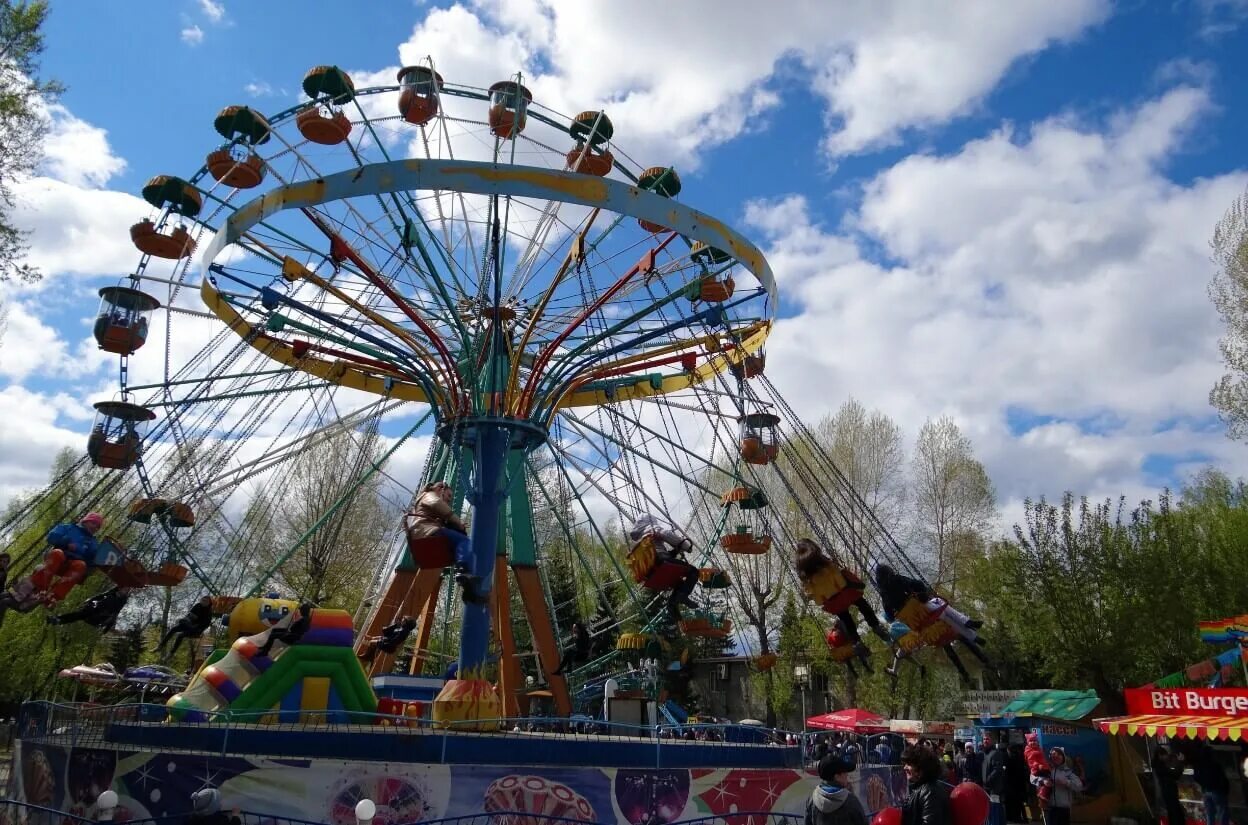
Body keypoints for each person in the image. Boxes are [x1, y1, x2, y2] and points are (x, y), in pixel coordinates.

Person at [795, 539, 890, 650]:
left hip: (832, 600)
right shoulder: (823, 561)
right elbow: (835, 570)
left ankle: (856, 641)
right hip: (844, 591)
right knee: (862, 604)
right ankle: (875, 626)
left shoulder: (805, 575)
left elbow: (810, 592)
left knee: (846, 619)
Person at [0, 514, 104, 611]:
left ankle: (53, 596)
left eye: (98, 527)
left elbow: (93, 557)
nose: (95, 527)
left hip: (70, 566)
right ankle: (41, 588)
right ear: (86, 521)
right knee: (58, 553)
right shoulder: (69, 528)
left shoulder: (92, 542)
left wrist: (99, 562)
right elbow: (52, 536)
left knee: (81, 565)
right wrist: (66, 542)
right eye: (94, 523)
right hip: (56, 558)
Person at [408, 481, 484, 604]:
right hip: (428, 532)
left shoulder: (425, 503)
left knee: (461, 550)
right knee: (465, 542)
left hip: (425, 533)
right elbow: (438, 505)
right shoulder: (429, 495)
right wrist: (458, 522)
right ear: (440, 489)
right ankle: (464, 571)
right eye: (448, 496)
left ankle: (470, 591)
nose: (449, 500)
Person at [628, 514, 699, 618]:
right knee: (693, 571)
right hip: (661, 563)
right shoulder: (652, 528)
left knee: (679, 583)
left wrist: (674, 552)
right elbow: (668, 535)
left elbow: (655, 554)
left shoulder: (636, 541)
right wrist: (685, 546)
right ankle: (680, 598)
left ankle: (672, 605)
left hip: (648, 574)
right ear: (651, 521)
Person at [806, 755, 868, 825]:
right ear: (837, 777)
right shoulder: (850, 800)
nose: (847, 775)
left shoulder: (811, 799)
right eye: (845, 772)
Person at [901, 745, 951, 825]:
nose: (905, 767)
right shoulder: (923, 788)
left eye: (909, 764)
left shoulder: (929, 792)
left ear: (920, 767)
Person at [47, 587, 132, 630]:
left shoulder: (121, 600)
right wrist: (90, 599)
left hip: (99, 615)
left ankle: (58, 620)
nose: (124, 590)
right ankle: (57, 620)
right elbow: (101, 596)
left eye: (126, 589)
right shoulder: (112, 592)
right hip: (94, 608)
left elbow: (116, 612)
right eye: (124, 588)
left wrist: (108, 626)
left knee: (80, 615)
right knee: (78, 615)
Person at [1038, 746, 1083, 825]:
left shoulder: (1067, 772)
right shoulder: (1048, 770)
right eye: (1053, 755)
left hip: (1064, 808)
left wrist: (1066, 782)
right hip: (1050, 807)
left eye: (1059, 755)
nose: (1056, 757)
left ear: (1063, 757)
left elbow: (1079, 786)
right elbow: (1033, 778)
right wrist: (1043, 781)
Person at [1193, 745, 1230, 825]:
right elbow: (1222, 778)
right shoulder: (1216, 765)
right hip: (1217, 791)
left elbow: (1195, 777)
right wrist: (1225, 790)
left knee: (1209, 814)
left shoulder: (1199, 765)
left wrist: (1202, 785)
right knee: (1222, 813)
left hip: (1205, 791)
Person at [1152, 746, 1186, 825]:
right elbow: (1175, 775)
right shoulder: (1161, 767)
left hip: (1167, 792)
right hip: (1170, 792)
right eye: (1165, 755)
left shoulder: (1158, 766)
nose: (1167, 757)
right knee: (1176, 814)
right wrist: (1180, 762)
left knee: (1172, 813)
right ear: (1160, 755)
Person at [984, 736, 1008, 825]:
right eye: (984, 739)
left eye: (987, 739)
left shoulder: (995, 753)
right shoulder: (986, 753)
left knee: (994, 809)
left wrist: (987, 779)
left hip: (994, 788)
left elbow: (997, 769)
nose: (985, 741)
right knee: (994, 809)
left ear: (992, 741)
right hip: (988, 787)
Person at [1006, 742, 1030, 824]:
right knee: (1020, 803)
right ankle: (1025, 818)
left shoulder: (1010, 759)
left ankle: (1017, 818)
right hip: (1020, 784)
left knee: (1015, 803)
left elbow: (1007, 773)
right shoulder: (1021, 758)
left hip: (1012, 785)